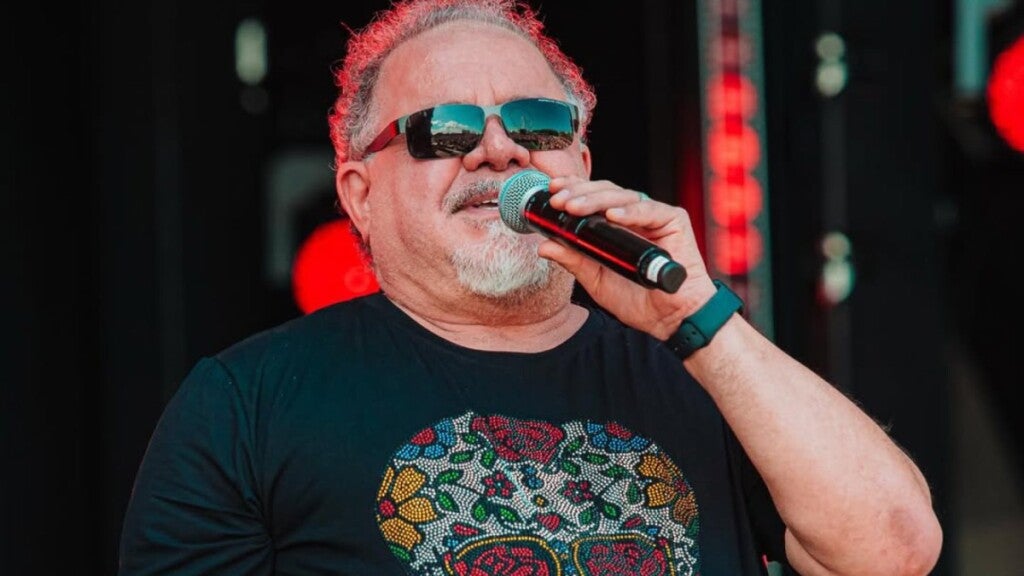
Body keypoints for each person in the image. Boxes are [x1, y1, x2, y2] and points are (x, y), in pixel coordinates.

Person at [118, 0, 943, 574]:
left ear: (578, 164)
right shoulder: (247, 405)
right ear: (359, 195)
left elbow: (895, 552)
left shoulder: (706, 373)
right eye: (445, 131)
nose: (499, 151)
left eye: (537, 125)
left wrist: (701, 318)